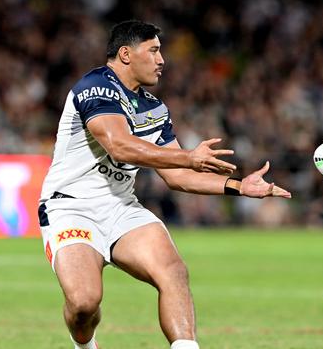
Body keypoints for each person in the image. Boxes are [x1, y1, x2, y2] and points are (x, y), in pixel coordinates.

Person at [38, 20, 291, 349]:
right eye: (154, 51)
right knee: (85, 303)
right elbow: (119, 145)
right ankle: (85, 345)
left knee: (173, 271)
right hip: (69, 207)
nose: (162, 60)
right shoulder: (95, 86)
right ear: (126, 54)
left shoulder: (154, 109)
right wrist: (187, 157)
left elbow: (177, 176)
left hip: (121, 208)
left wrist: (240, 186)